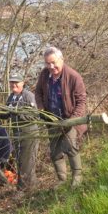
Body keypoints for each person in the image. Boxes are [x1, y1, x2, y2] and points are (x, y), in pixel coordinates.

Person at [35, 47, 87, 188]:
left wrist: (73, 120)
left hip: (69, 120)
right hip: (52, 120)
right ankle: (62, 180)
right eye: (47, 63)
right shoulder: (44, 75)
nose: (51, 66)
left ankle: (77, 177)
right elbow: (38, 93)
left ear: (61, 60)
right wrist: (40, 109)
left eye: (53, 62)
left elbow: (82, 101)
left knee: (70, 147)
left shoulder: (73, 76)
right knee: (55, 151)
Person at [0, 73, 38, 191]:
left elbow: (35, 116)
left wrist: (19, 113)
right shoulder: (11, 97)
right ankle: (32, 185)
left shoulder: (28, 96)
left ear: (22, 83)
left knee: (27, 162)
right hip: (17, 135)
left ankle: (22, 189)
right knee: (20, 161)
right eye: (11, 82)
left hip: (29, 134)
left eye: (16, 82)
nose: (13, 84)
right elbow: (7, 114)